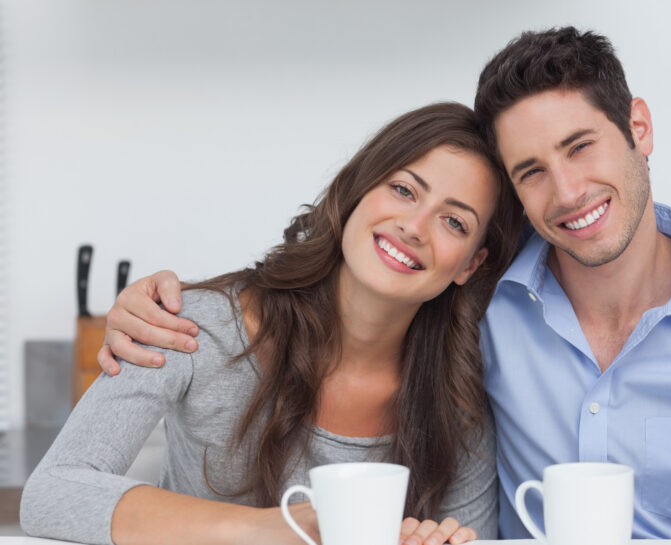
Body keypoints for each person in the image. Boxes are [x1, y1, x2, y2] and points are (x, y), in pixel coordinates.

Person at [96, 28, 671, 544]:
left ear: (638, 129)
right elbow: (343, 298)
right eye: (531, 170)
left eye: (582, 147)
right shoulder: (470, 298)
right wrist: (175, 304)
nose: (566, 193)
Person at [20, 102, 525, 545]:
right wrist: (268, 530)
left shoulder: (459, 403)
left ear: (469, 265)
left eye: (453, 221)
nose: (414, 228)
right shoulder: (192, 324)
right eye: (403, 189)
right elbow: (52, 491)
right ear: (356, 189)